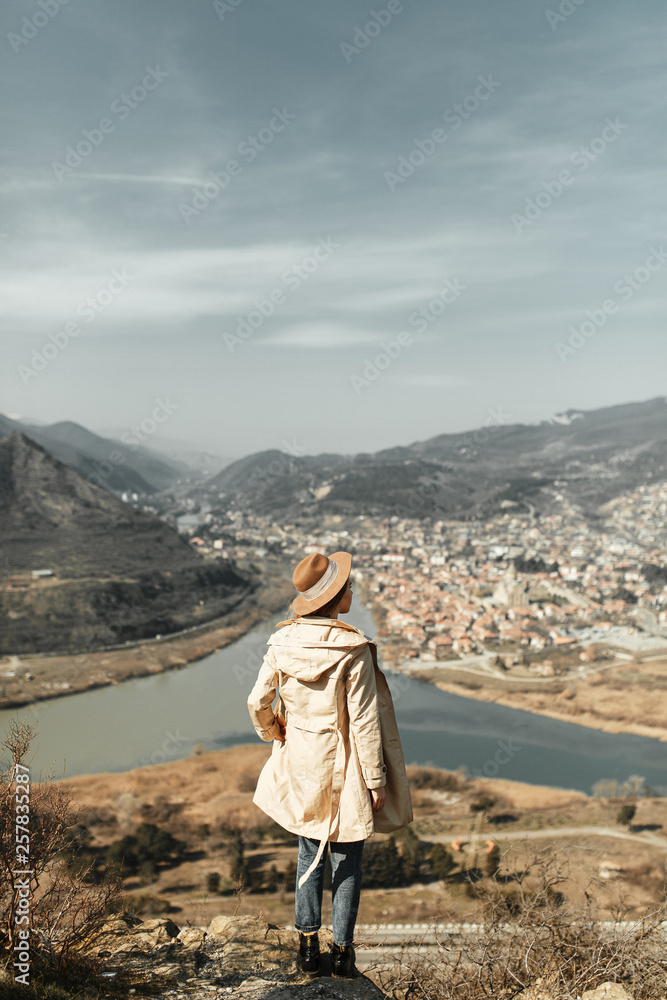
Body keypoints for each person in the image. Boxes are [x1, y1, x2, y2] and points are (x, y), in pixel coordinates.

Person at [247, 550, 413, 979]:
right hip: (346, 763)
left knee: (308, 854)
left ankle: (306, 947)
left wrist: (275, 731)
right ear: (337, 597)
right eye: (349, 587)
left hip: (302, 759)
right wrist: (376, 780)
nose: (353, 591)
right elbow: (363, 720)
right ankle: (342, 953)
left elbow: (256, 701)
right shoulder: (352, 649)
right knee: (347, 861)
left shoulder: (280, 642)